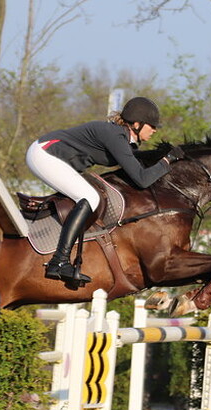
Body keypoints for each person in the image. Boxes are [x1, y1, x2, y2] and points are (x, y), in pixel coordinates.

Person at [25, 96, 184, 285]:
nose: (155, 130)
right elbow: (142, 179)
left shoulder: (121, 137)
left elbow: (132, 159)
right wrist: (167, 161)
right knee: (90, 197)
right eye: (152, 125)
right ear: (136, 124)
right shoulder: (115, 136)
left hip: (50, 155)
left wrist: (161, 157)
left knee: (88, 196)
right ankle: (59, 261)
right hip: (44, 154)